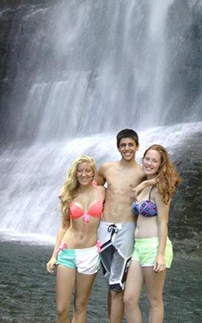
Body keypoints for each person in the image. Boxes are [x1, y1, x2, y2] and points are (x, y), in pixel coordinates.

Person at [124, 144, 181, 323]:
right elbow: (132, 196)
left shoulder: (160, 188)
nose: (149, 163)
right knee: (129, 299)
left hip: (154, 246)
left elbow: (163, 223)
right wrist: (145, 182)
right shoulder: (145, 185)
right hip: (139, 248)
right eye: (147, 158)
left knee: (154, 300)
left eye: (154, 161)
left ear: (160, 164)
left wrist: (161, 255)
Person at [96, 129, 147, 323]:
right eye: (123, 145)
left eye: (130, 145)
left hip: (127, 229)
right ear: (118, 147)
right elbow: (97, 188)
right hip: (104, 227)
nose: (127, 149)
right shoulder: (106, 168)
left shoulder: (142, 172)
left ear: (137, 146)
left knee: (117, 285)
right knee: (112, 282)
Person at [47, 155, 105, 323]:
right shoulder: (68, 193)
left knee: (80, 306)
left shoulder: (102, 192)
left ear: (93, 172)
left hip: (90, 254)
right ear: (75, 172)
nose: (84, 174)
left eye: (87, 170)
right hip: (68, 253)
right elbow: (64, 226)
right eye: (80, 171)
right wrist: (54, 255)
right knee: (61, 309)